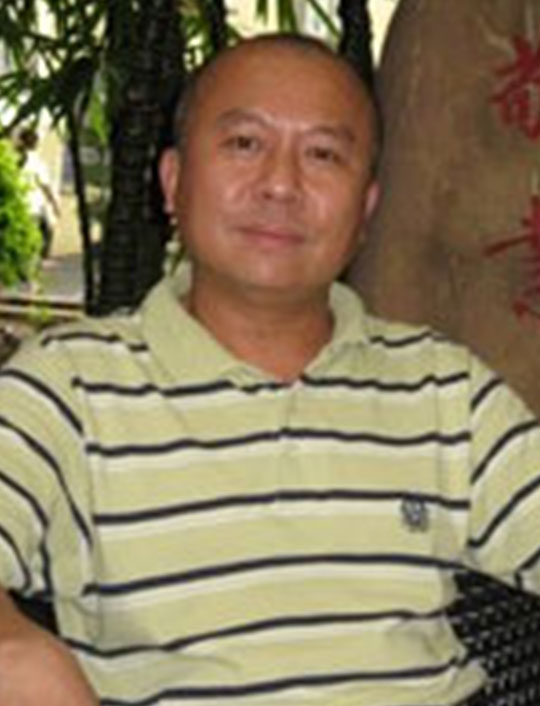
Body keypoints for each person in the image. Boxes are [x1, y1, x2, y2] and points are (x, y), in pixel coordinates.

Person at [0, 32, 539, 706]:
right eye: (244, 143)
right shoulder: (66, 389)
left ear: (366, 208)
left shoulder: (443, 388)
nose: (281, 184)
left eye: (323, 154)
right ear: (173, 181)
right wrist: (16, 654)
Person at [16, 127, 61, 259]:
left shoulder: (13, 156)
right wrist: (54, 204)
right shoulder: (36, 161)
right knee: (44, 233)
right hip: (32, 207)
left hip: (17, 205)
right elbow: (45, 186)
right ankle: (37, 259)